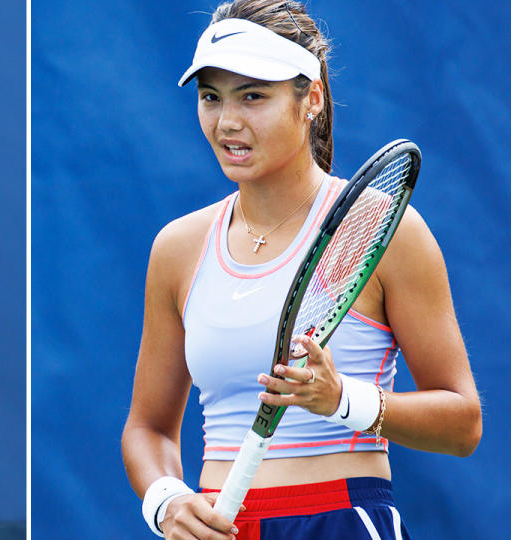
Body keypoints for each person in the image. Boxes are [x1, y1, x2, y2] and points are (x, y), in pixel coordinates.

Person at [121, 1, 481, 539]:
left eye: (253, 96)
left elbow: (462, 423)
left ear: (310, 98)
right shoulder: (177, 248)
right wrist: (168, 502)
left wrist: (342, 400)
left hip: (341, 520)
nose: (227, 122)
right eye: (210, 97)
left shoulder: (384, 232)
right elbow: (147, 429)